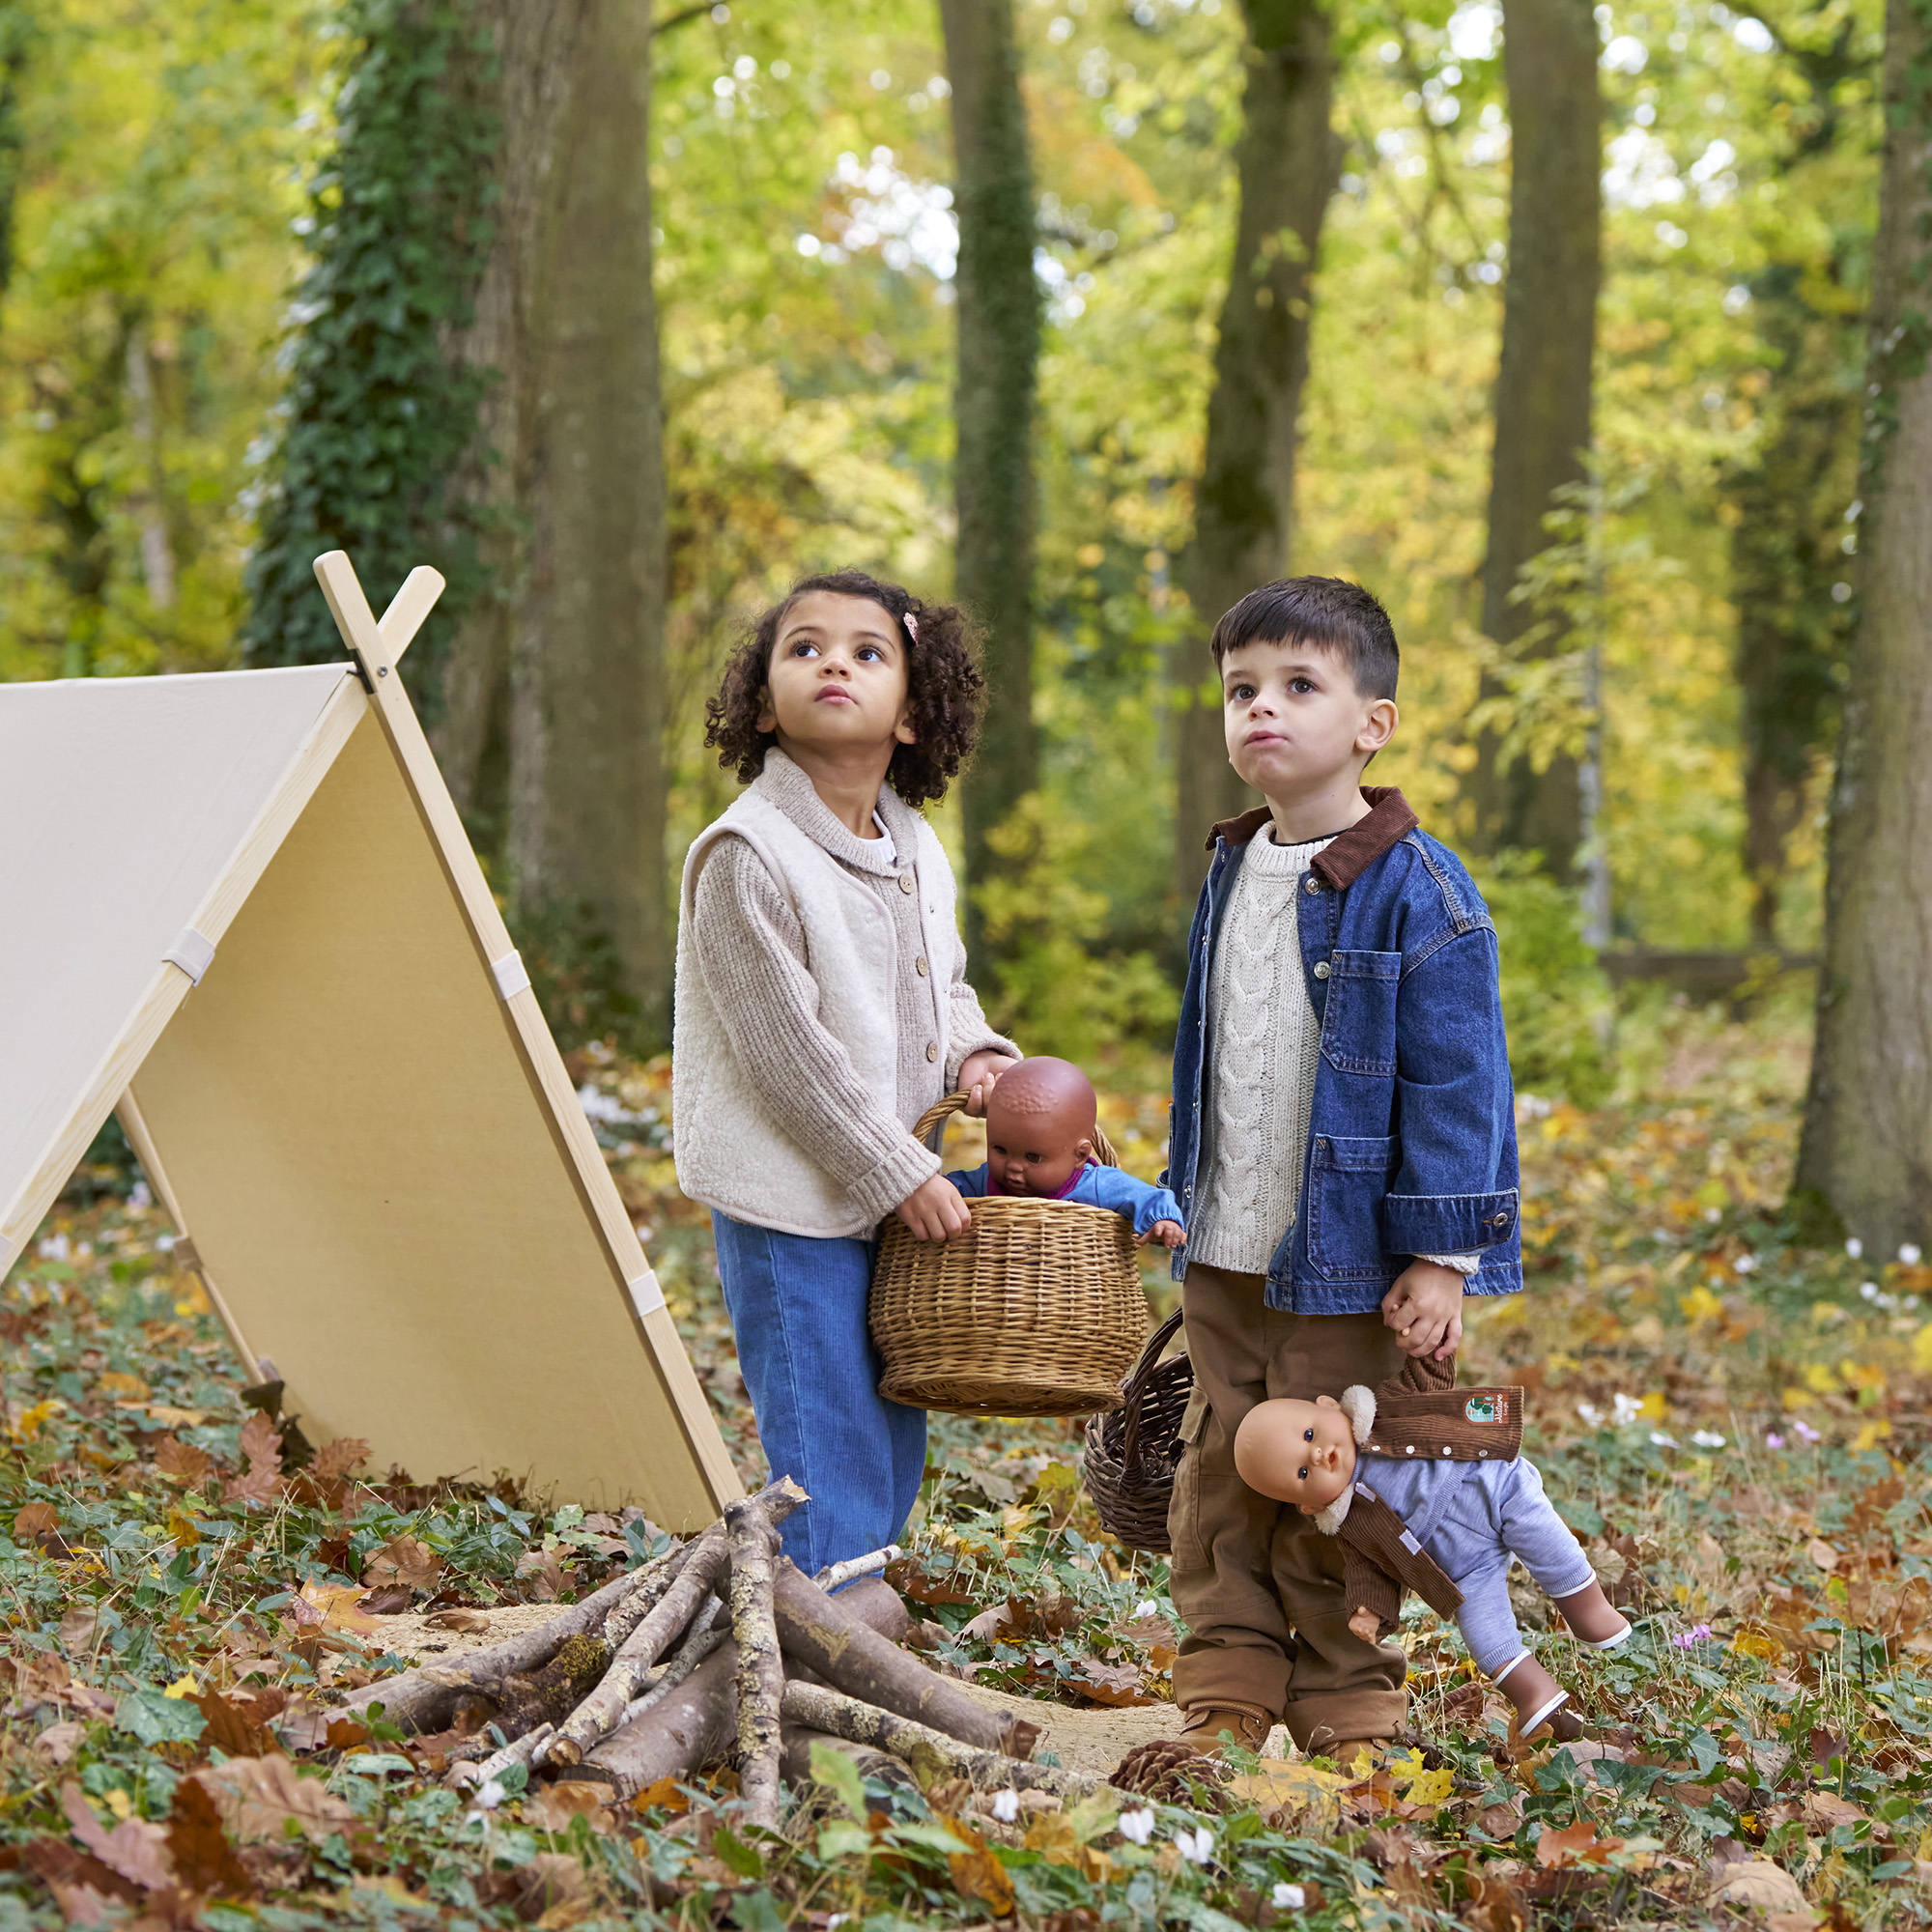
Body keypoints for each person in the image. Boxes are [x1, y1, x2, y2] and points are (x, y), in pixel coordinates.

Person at [1160, 576, 1522, 1765]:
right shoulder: (1230, 865)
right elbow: (1218, 1057)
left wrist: (1442, 1253)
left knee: (1331, 1474)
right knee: (1222, 1467)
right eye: (1240, 689)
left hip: (1346, 1258)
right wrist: (1177, 1196)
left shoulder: (1420, 890)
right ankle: (1227, 1677)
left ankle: (1345, 1695)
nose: (1260, 707)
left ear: (1372, 723)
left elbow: (1459, 1082)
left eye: (1297, 685)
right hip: (1227, 1242)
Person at [672, 570, 1018, 1575]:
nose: (834, 662)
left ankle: (860, 1595)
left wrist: (976, 1050)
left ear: (911, 713)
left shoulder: (912, 843)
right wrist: (898, 1171)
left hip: (883, 1193)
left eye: (868, 652)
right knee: (825, 1425)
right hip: (791, 1197)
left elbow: (940, 981)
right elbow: (787, 1057)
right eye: (804, 647)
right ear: (762, 702)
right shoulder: (747, 855)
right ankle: (817, 1610)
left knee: (891, 1409)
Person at [1233, 1355, 1631, 1743]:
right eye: (1303, 1472)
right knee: (1483, 1632)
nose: (1318, 1455)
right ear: (1309, 1506)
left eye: (1309, 1435)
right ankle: (1534, 1694)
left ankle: (1588, 1610)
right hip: (1466, 1568)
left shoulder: (1389, 1408)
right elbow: (1369, 1572)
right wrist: (1370, 1610)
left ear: (1329, 1406)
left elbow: (1428, 1373)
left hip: (1494, 1487)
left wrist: (1431, 1339)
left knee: (1549, 1543)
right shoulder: (1352, 1524)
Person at [944, 1056, 1186, 1249]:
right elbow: (948, 1191)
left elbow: (1141, 1195)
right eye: (1000, 1149)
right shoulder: (985, 1181)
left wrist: (1162, 1219)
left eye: (1033, 1157)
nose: (1013, 1166)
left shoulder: (1096, 1184)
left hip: (1070, 1286)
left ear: (1079, 1156)